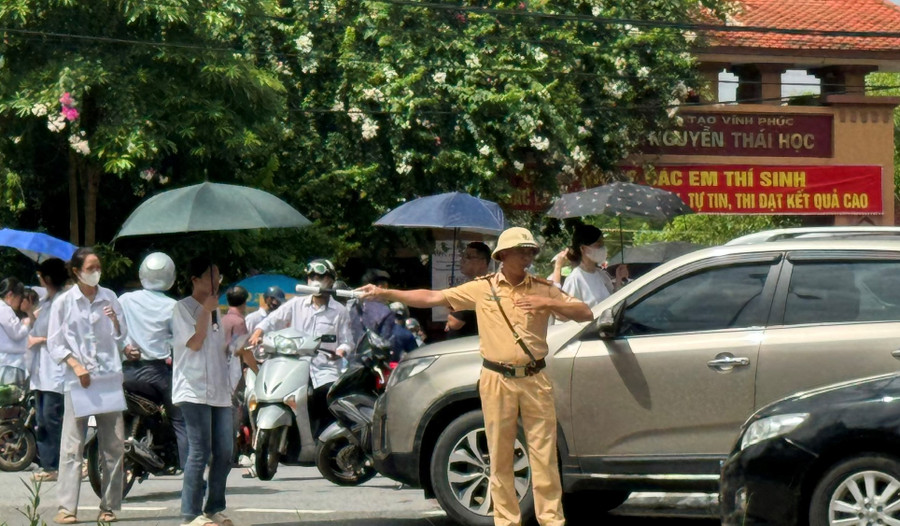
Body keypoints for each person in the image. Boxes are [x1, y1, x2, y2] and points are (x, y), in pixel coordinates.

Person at [359, 227, 593, 526]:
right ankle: (507, 521)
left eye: (531, 251)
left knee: (544, 454)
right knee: (500, 454)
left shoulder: (542, 287)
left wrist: (547, 304)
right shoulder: (484, 288)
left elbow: (585, 312)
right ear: (503, 256)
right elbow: (433, 297)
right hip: (496, 378)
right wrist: (385, 293)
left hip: (535, 378)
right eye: (522, 250)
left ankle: (551, 520)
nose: (528, 256)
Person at [47, 247, 127, 525]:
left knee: (114, 445)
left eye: (98, 267)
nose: (96, 272)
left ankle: (109, 506)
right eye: (90, 268)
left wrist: (115, 320)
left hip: (108, 379)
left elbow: (122, 335)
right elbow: (55, 342)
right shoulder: (64, 302)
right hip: (78, 381)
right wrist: (76, 365)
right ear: (77, 271)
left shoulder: (110, 297)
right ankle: (67, 507)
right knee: (72, 446)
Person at [248, 259, 353, 455]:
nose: (315, 280)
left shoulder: (340, 311)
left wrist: (341, 351)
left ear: (331, 281)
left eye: (320, 277)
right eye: (312, 276)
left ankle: (327, 446)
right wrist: (258, 332)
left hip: (325, 368)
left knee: (327, 398)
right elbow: (272, 320)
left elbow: (348, 341)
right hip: (293, 366)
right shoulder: (296, 304)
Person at [172, 257, 235, 526]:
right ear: (195, 280)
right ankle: (190, 513)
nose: (215, 283)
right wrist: (206, 312)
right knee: (199, 451)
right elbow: (195, 343)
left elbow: (218, 348)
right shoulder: (182, 308)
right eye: (210, 277)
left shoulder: (217, 310)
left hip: (219, 390)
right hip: (193, 389)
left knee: (225, 452)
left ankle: (214, 507)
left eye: (218, 277)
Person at [118, 252, 188, 469]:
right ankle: (192, 479)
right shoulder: (173, 307)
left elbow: (113, 330)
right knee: (180, 421)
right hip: (155, 374)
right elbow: (181, 343)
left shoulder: (125, 300)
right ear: (171, 276)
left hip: (124, 373)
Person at [28, 258, 68, 482]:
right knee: (42, 419)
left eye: (41, 275)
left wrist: (39, 340)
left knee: (51, 418)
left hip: (55, 370)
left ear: (48, 278)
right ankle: (48, 463)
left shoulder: (62, 301)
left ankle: (57, 464)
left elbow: (62, 333)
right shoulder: (47, 301)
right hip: (41, 371)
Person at [552, 224, 628, 308]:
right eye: (599, 245)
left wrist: (619, 278)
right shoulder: (575, 279)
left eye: (603, 244)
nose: (603, 248)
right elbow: (568, 312)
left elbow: (612, 301)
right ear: (583, 249)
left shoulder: (601, 274)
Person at [445, 241, 491, 338]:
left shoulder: (480, 287)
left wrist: (452, 313)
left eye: (469, 257)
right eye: (463, 256)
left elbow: (454, 322)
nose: (463, 260)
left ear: (483, 262)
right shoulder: (473, 285)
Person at [347, 269, 396, 345]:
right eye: (386, 288)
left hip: (349, 355)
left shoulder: (352, 307)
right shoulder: (386, 313)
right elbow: (387, 343)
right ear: (381, 287)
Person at [0, 277, 29, 381]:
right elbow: (17, 333)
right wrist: (27, 324)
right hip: (10, 363)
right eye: (20, 298)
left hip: (5, 361)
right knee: (9, 395)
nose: (20, 302)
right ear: (10, 295)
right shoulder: (4, 310)